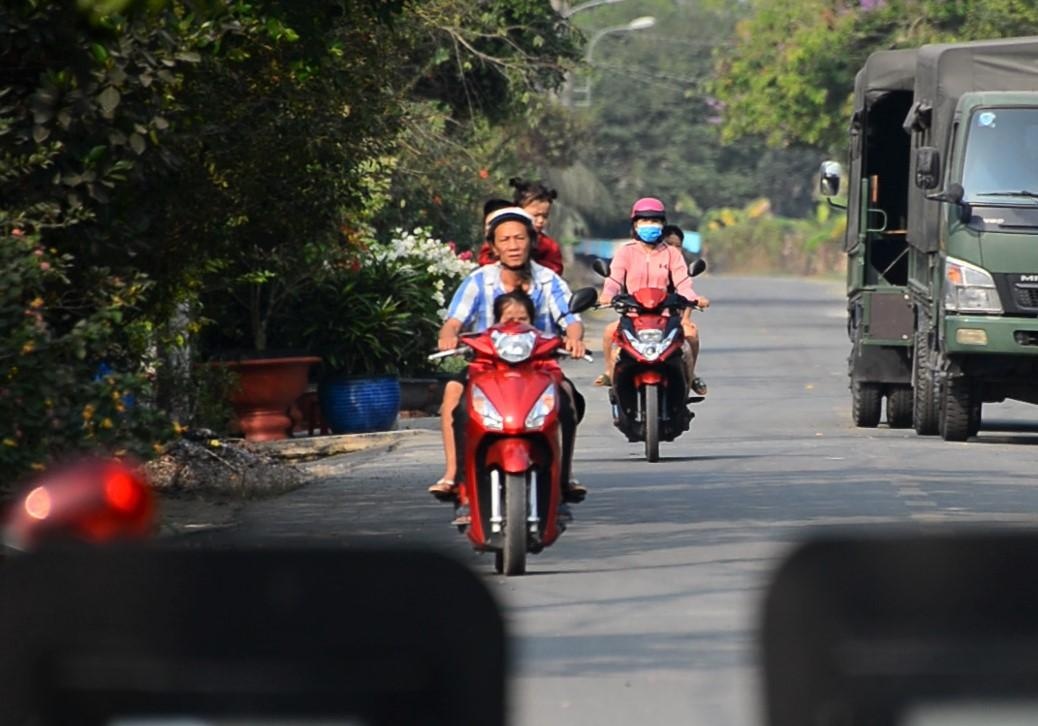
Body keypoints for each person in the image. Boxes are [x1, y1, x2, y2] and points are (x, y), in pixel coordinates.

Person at [428, 207, 587, 522]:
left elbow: (570, 319)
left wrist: (574, 338)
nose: (513, 245)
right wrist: (448, 337)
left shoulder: (548, 280)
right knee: (452, 396)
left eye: (520, 237)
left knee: (567, 399)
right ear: (493, 246)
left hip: (540, 368)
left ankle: (563, 479)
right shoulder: (478, 281)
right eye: (505, 239)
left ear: (532, 241)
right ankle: (456, 478)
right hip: (485, 368)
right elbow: (453, 321)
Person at [594, 197, 710, 393]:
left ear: (663, 224)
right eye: (644, 221)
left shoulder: (672, 253)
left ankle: (689, 380)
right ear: (635, 224)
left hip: (666, 317)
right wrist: (607, 295)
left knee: (690, 340)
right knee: (609, 334)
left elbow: (682, 282)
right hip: (632, 317)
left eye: (655, 221)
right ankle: (611, 377)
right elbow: (614, 280)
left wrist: (693, 297)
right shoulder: (625, 253)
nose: (650, 225)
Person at [478, 178, 564, 274]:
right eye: (535, 215)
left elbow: (555, 269)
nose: (540, 221)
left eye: (545, 216)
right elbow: (485, 260)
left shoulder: (549, 246)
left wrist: (529, 267)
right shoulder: (498, 237)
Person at [662, 225, 706, 394]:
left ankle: (689, 376)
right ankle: (612, 374)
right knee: (612, 334)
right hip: (644, 321)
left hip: (674, 321)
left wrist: (686, 318)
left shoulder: (681, 271)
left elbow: (687, 294)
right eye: (668, 244)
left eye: (677, 245)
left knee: (691, 335)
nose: (673, 249)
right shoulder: (648, 266)